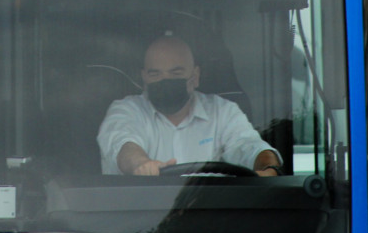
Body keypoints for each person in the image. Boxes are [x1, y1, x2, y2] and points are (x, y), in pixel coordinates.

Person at [96, 35, 281, 176]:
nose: (165, 81)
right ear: (144, 78)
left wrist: (268, 166)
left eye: (176, 73)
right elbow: (123, 144)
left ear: (195, 76)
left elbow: (249, 146)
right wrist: (141, 164)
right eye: (155, 74)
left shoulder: (222, 112)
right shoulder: (126, 110)